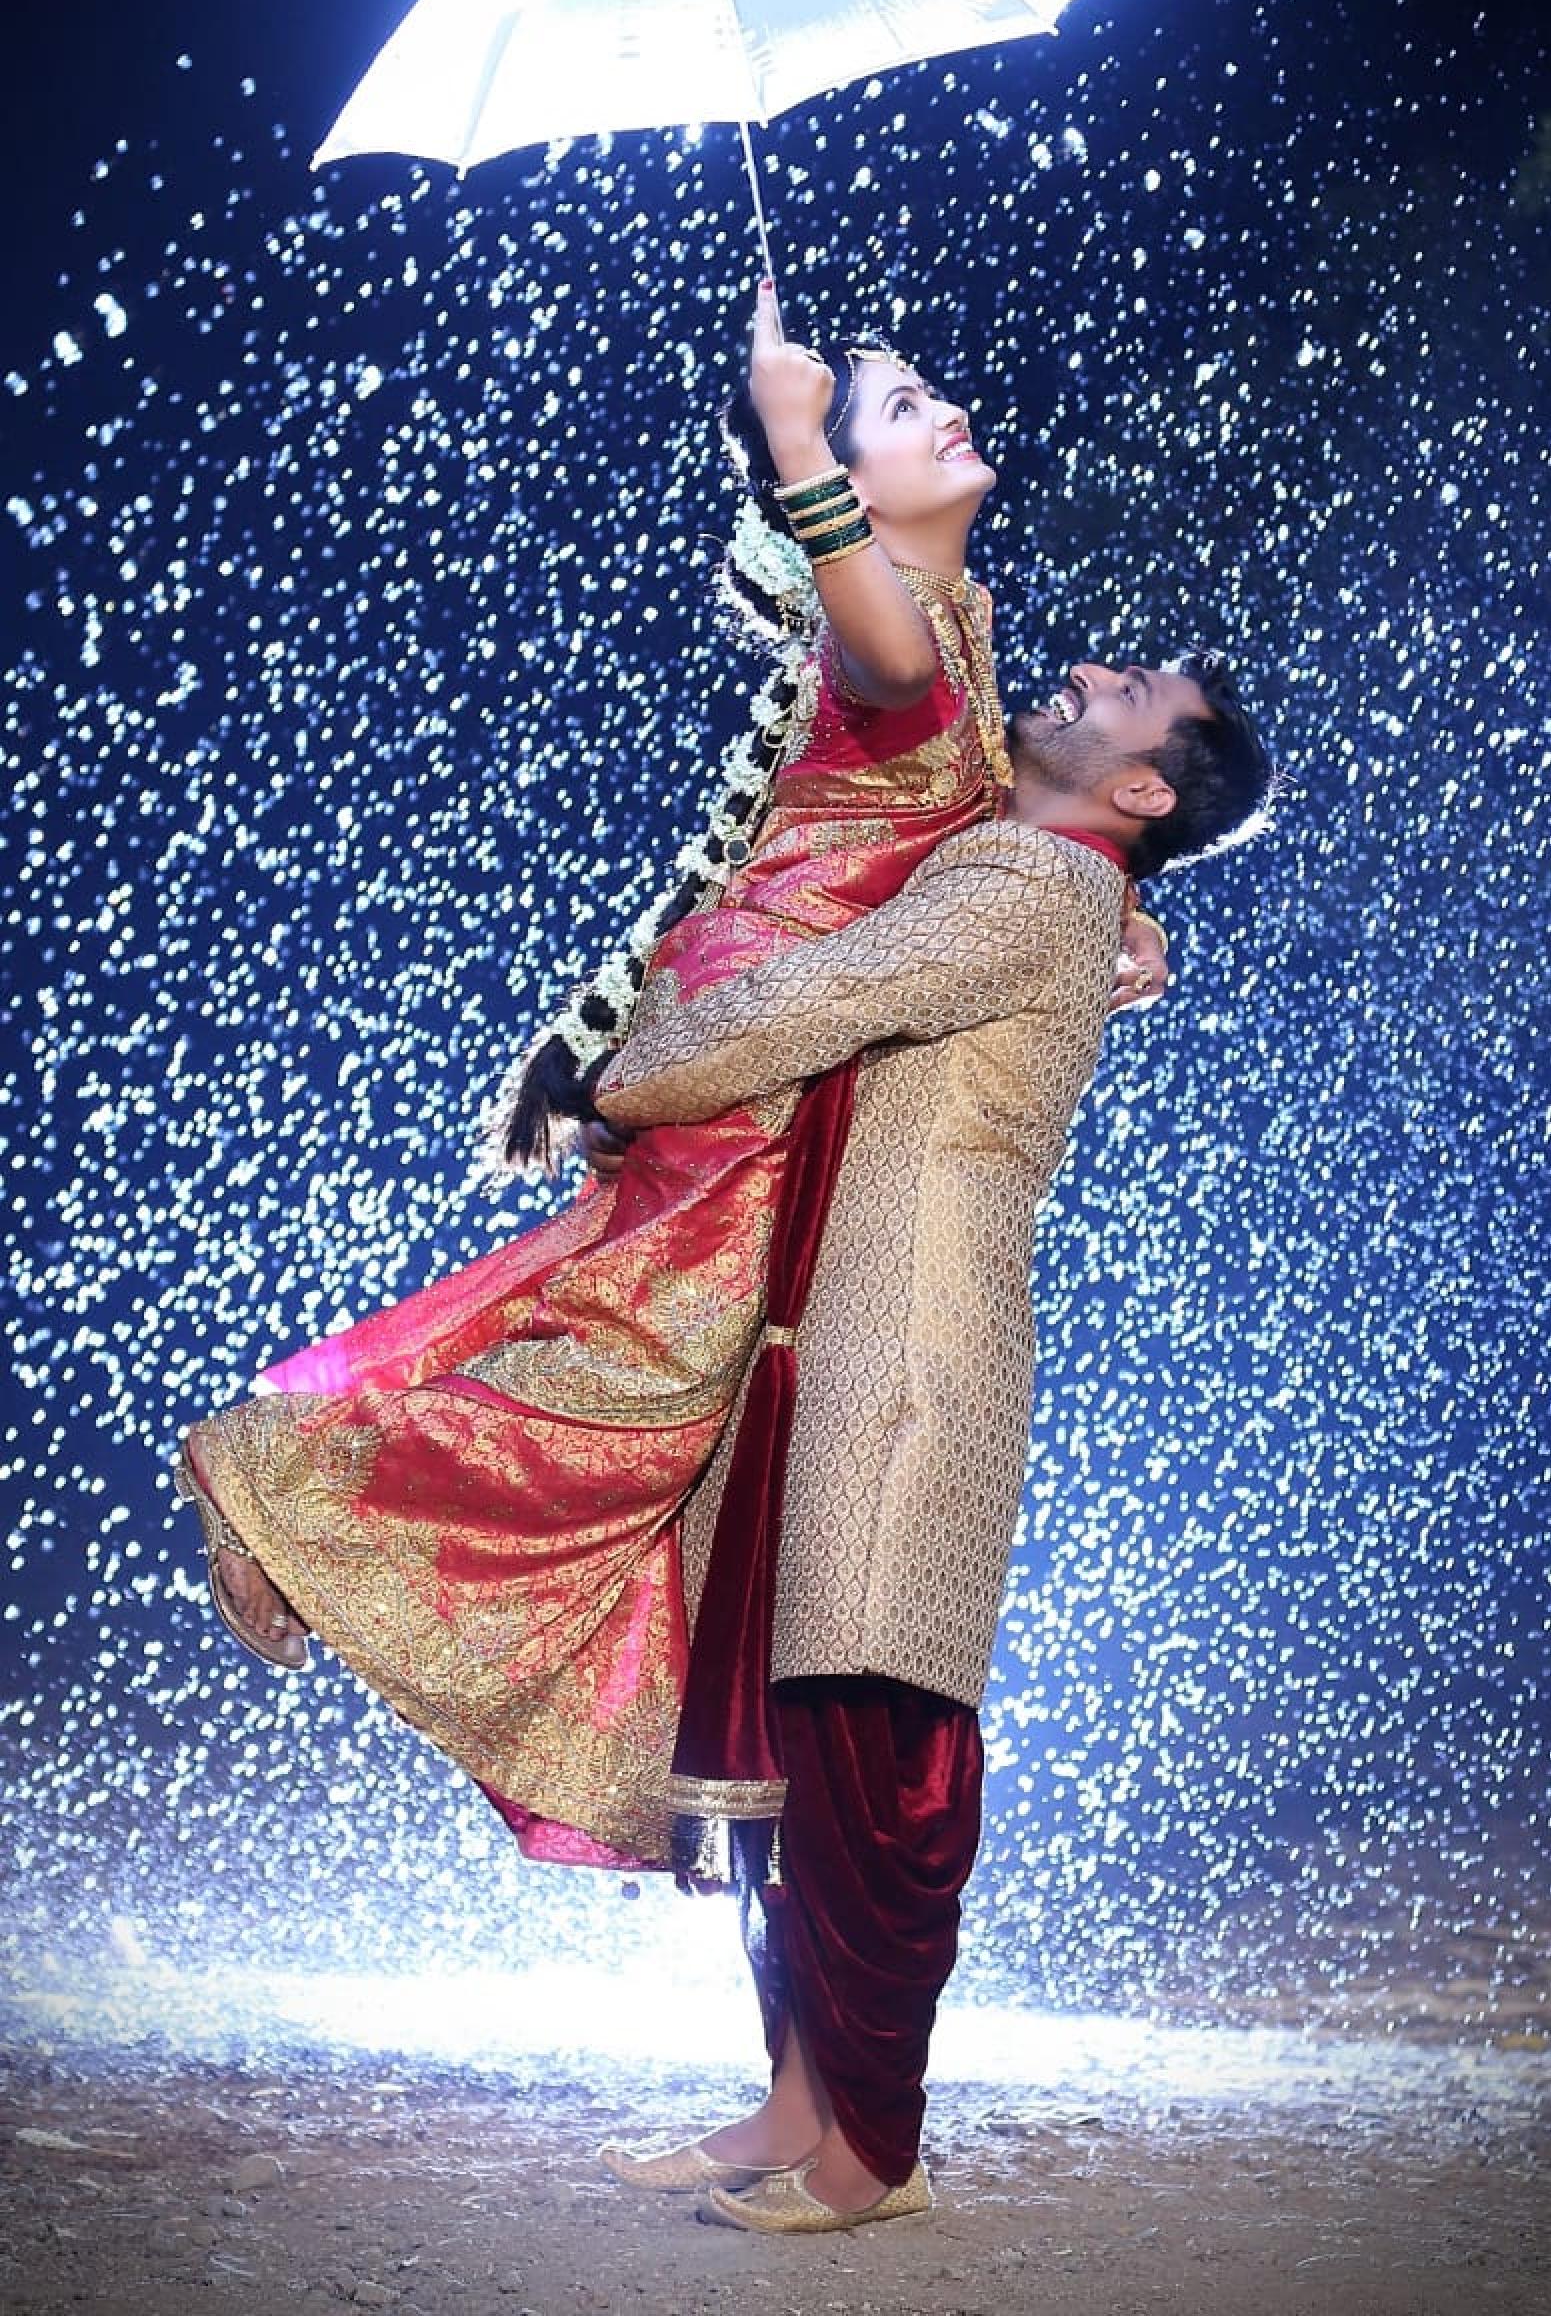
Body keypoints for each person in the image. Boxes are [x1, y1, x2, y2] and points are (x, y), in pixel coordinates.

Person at [175, 288, 1169, 1872]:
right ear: (838, 495)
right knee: (650, 1376)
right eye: (902, 409)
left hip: (770, 1037)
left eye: (923, 393)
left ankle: (315, 1482)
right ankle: (289, 1487)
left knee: (613, 1318)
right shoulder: (898, 623)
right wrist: (794, 431)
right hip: (752, 1041)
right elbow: (900, 688)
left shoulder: (956, 626)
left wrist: (1126, 905)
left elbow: (995, 825)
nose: (945, 411)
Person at [591, 648, 1276, 2231]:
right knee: (786, 1737)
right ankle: (798, 2099)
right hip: (833, 1334)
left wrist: (624, 1077)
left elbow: (825, 996)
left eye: (1130, 689)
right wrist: (1137, 915)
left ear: (1143, 786)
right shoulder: (1040, 865)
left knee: (870, 1730)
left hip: (905, 1349)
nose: (1086, 669)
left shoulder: (1041, 879)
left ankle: (870, 2152)